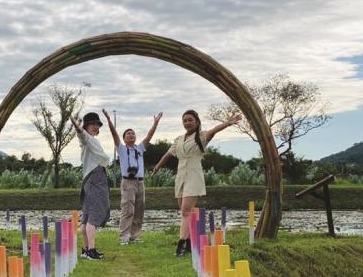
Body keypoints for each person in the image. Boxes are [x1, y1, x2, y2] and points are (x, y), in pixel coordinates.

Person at [151, 109, 242, 256]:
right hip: (181, 175)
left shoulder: (201, 136)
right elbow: (168, 154)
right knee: (184, 210)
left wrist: (227, 123)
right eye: (185, 120)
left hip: (194, 175)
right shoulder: (179, 139)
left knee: (186, 211)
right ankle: (191, 243)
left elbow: (213, 131)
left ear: (197, 121)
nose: (187, 123)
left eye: (190, 120)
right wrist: (157, 167)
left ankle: (181, 244)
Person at [102, 109, 162, 245]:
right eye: (128, 133)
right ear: (124, 138)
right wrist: (109, 120)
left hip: (140, 182)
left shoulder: (140, 148)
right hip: (128, 182)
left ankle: (134, 236)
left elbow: (149, 136)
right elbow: (114, 134)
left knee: (139, 210)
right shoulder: (122, 149)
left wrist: (155, 124)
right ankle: (124, 236)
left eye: (133, 133)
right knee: (128, 209)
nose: (131, 135)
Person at [69, 111, 112, 260]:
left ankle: (86, 249)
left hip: (91, 179)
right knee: (94, 215)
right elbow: (81, 134)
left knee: (86, 217)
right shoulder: (86, 139)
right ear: (86, 126)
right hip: (95, 179)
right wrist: (77, 126)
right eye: (92, 124)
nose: (95, 126)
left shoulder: (93, 141)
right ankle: (91, 250)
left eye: (97, 124)